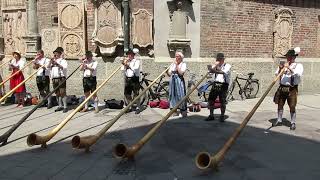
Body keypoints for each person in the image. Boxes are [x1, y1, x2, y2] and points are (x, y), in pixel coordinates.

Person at [273, 48, 303, 130]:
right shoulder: (284, 65)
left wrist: (289, 68)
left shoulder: (298, 65)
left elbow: (297, 74)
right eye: (287, 56)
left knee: (292, 106)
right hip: (282, 88)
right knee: (280, 104)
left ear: (294, 57)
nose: (288, 58)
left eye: (290, 57)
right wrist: (280, 68)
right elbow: (277, 74)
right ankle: (279, 120)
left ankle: (293, 122)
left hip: (291, 89)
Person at [205, 53, 231, 122]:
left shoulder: (227, 65)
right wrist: (213, 67)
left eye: (219, 59)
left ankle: (222, 116)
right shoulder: (216, 65)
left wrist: (215, 69)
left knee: (222, 101)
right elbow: (209, 73)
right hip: (216, 84)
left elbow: (223, 72)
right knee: (211, 99)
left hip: (223, 84)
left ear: (223, 59)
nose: (218, 60)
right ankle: (211, 115)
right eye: (217, 59)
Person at [167, 51, 187, 117]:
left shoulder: (183, 64)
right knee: (173, 95)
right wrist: (167, 71)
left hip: (179, 80)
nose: (176, 58)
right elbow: (169, 74)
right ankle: (174, 111)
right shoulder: (172, 64)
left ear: (181, 58)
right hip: (173, 81)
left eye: (177, 56)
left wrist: (177, 66)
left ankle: (182, 111)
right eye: (175, 56)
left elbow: (181, 73)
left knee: (180, 95)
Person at [48, 47, 68, 113]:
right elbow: (48, 67)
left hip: (61, 78)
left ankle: (65, 106)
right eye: (54, 54)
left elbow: (64, 68)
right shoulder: (52, 61)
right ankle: (60, 105)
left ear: (59, 54)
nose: (55, 55)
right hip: (54, 78)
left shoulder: (63, 61)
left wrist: (56, 63)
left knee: (62, 92)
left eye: (56, 53)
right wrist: (50, 62)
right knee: (57, 93)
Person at [121, 48, 141, 113]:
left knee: (136, 94)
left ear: (133, 55)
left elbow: (135, 68)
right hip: (128, 79)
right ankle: (130, 106)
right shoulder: (126, 61)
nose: (129, 56)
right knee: (127, 94)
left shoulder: (136, 61)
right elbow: (122, 70)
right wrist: (124, 65)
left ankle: (138, 107)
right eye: (128, 55)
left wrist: (128, 65)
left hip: (134, 79)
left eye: (130, 54)